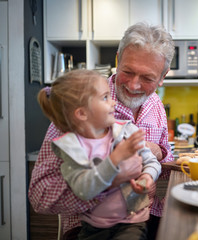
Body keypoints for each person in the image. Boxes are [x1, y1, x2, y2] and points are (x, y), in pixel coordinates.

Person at [28, 22, 175, 240]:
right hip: (89, 226)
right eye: (128, 71)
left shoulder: (156, 105)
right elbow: (40, 196)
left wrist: (160, 152)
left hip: (146, 217)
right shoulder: (80, 106)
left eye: (147, 78)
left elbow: (161, 164)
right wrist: (110, 180)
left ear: (162, 77)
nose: (134, 85)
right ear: (118, 60)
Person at [37, 69, 161, 239]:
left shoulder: (126, 131)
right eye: (105, 98)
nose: (114, 103)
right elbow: (84, 190)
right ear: (81, 113)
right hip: (92, 227)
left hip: (133, 221)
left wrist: (147, 176)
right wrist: (116, 159)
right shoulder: (71, 148)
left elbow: (152, 162)